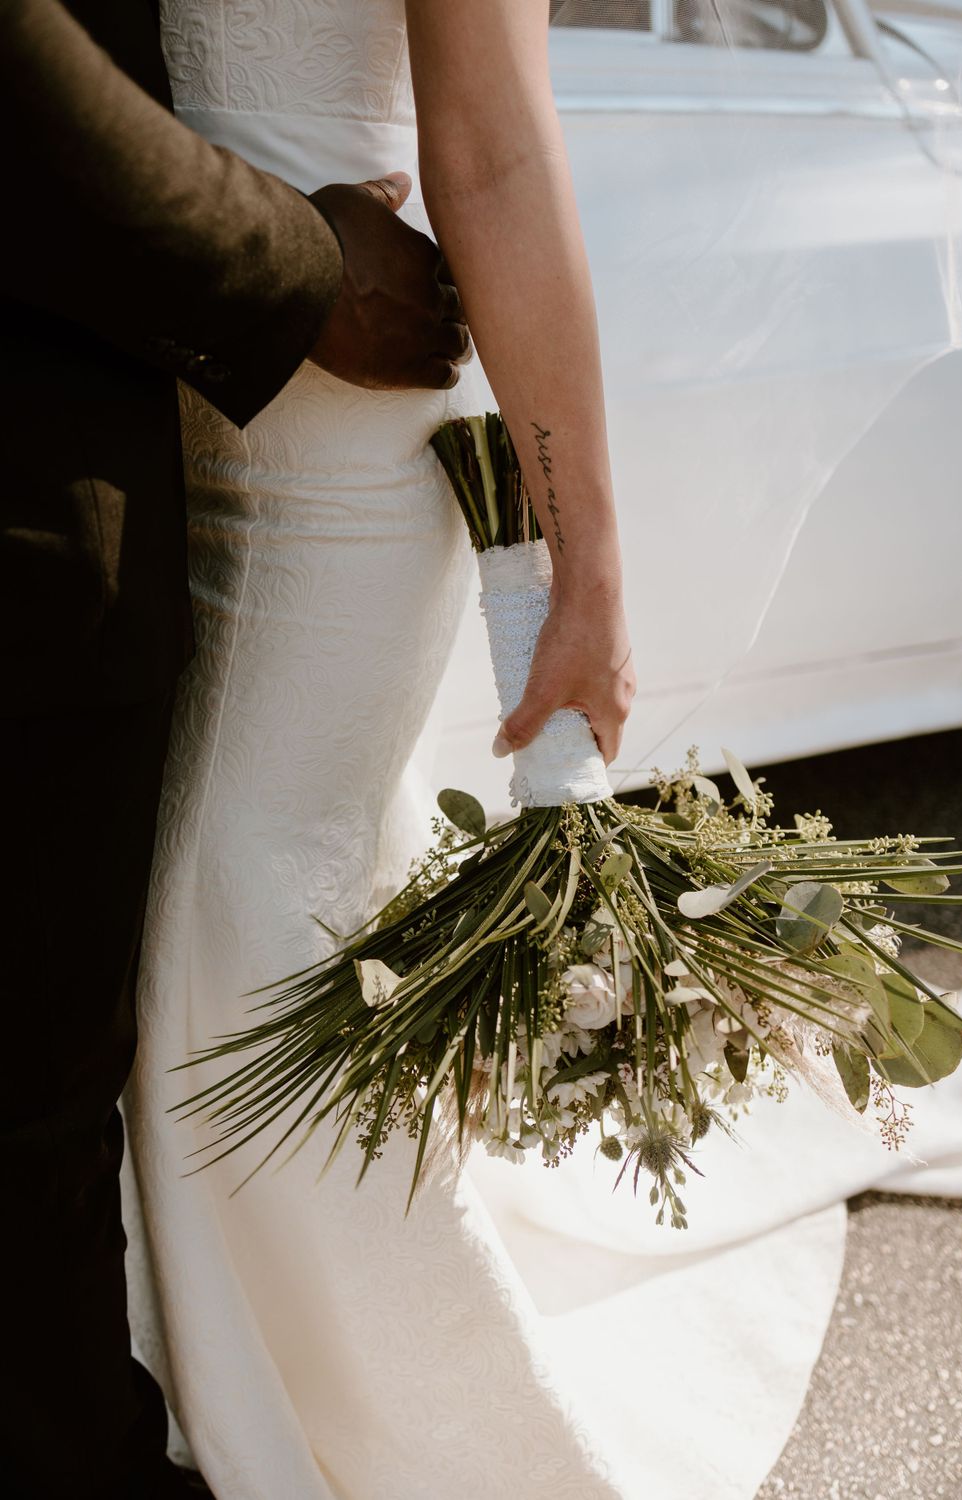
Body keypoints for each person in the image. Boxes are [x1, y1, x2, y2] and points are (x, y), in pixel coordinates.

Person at [124, 1, 635, 1496]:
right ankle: (157, 1383)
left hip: (338, 463)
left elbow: (495, 149)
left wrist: (588, 568)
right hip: (134, 393)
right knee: (140, 937)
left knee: (231, 929)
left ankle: (406, 1420)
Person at [0, 1, 471, 1495]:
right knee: (39, 1091)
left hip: (257, 436)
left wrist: (574, 559)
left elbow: (501, 154)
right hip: (110, 416)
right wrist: (295, 267)